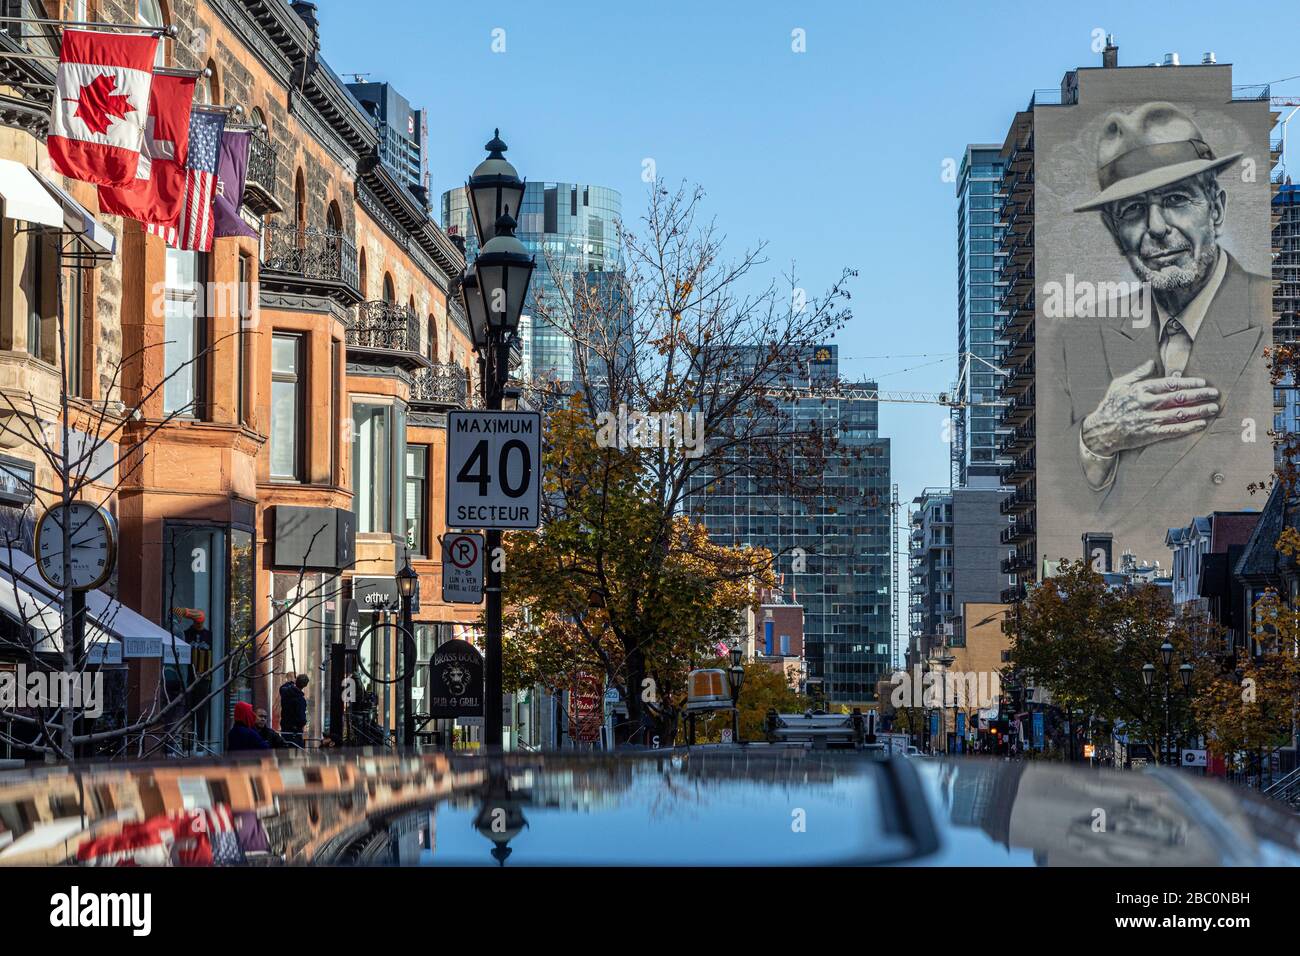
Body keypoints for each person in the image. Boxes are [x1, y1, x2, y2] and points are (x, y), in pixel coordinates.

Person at [1056, 101, 1271, 530]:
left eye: (1175, 200)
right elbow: (1065, 493)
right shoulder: (1079, 336)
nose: (1157, 227)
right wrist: (1096, 439)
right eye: (1133, 210)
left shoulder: (1274, 312)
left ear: (1216, 209)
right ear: (1117, 234)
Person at [279, 674, 309, 747]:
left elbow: (282, 688)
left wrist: (291, 682)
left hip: (285, 727)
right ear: (305, 685)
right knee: (296, 750)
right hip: (294, 731)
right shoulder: (300, 700)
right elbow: (301, 718)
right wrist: (303, 723)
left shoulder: (285, 692)